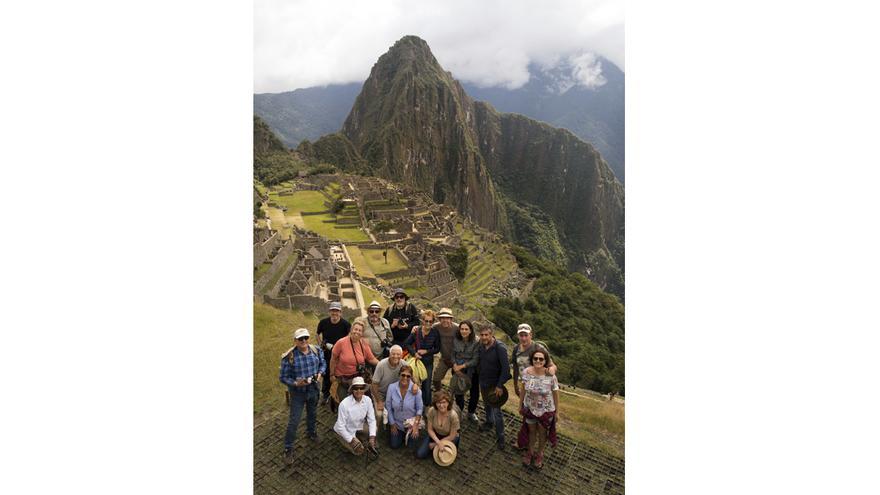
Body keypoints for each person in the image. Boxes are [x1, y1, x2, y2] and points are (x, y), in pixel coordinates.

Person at [279, 328, 325, 464]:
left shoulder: (316, 350)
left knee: (313, 413)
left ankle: (311, 433)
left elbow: (323, 363)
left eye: (306, 337)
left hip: (313, 388)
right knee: (294, 421)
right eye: (300, 339)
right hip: (297, 393)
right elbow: (282, 377)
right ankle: (288, 448)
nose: (304, 341)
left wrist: (320, 373)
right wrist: (294, 383)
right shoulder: (289, 356)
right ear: (295, 341)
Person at [516, 349, 560, 469]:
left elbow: (555, 393)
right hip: (530, 408)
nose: (538, 361)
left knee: (542, 433)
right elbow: (523, 389)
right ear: (532, 360)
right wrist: (520, 405)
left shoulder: (551, 376)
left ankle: (540, 453)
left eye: (541, 359)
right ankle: (530, 452)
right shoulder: (527, 372)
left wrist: (557, 412)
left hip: (545, 410)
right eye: (535, 358)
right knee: (531, 432)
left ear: (545, 361)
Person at [477, 325, 511, 450]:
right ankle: (489, 422)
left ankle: (500, 436)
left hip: (495, 385)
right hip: (484, 381)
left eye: (487, 335)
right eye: (482, 335)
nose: (484, 337)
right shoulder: (481, 346)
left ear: (492, 335)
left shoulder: (500, 348)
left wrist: (500, 385)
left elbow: (506, 369)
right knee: (486, 404)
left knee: (497, 411)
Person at [329, 320, 379, 404]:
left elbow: (371, 359)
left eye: (360, 330)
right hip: (342, 378)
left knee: (363, 401)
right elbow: (333, 359)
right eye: (355, 329)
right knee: (344, 402)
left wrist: (383, 364)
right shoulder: (341, 342)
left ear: (362, 333)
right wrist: (332, 374)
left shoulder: (364, 344)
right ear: (351, 330)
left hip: (357, 378)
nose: (357, 332)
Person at [370, 345, 420, 425]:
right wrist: (379, 401)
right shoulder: (381, 365)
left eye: (398, 354)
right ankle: (377, 431)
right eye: (393, 354)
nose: (395, 356)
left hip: (395, 393)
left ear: (401, 355)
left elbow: (414, 378)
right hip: (381, 393)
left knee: (402, 408)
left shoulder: (404, 364)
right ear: (389, 354)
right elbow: (374, 384)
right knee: (379, 414)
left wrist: (415, 385)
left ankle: (396, 427)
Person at [404, 309, 440, 407]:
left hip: (427, 363)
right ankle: (412, 405)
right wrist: (414, 353)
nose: (428, 323)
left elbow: (437, 348)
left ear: (433, 322)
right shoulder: (416, 331)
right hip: (416, 362)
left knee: (427, 385)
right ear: (422, 320)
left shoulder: (435, 333)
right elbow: (407, 343)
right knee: (412, 384)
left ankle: (426, 406)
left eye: (430, 321)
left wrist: (427, 351)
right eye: (426, 321)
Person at [316, 301, 351, 404]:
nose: (334, 314)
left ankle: (339, 394)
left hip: (340, 354)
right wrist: (320, 345)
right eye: (333, 311)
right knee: (327, 374)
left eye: (337, 311)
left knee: (339, 374)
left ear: (340, 313)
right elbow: (317, 334)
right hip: (327, 353)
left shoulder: (346, 324)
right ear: (329, 312)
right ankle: (325, 394)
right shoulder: (323, 322)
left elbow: (349, 337)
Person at [510, 323, 557, 399]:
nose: (524, 338)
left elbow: (552, 366)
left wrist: (551, 370)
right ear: (518, 336)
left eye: (526, 335)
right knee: (524, 409)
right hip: (525, 387)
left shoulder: (538, 348)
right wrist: (515, 386)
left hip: (540, 389)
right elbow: (516, 368)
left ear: (531, 335)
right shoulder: (516, 349)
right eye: (521, 335)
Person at [333, 377, 378, 456]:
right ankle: (345, 441)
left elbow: (372, 420)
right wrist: (351, 440)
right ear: (352, 390)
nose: (359, 391)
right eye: (356, 388)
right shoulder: (344, 404)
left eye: (361, 388)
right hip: (346, 429)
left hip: (358, 425)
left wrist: (372, 437)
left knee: (374, 430)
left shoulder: (367, 400)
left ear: (364, 389)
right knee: (358, 451)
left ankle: (363, 439)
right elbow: (340, 427)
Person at [385, 364, 423, 449]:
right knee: (394, 445)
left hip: (411, 423)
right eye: (403, 375)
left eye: (408, 376)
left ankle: (410, 434)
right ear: (399, 375)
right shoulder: (391, 387)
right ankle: (401, 435)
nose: (405, 378)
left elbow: (419, 409)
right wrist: (392, 423)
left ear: (411, 377)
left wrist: (416, 425)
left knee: (411, 446)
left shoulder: (417, 390)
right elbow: (388, 406)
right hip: (397, 423)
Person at [416, 390, 460, 460]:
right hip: (435, 434)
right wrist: (438, 441)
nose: (441, 405)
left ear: (448, 403)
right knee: (420, 454)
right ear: (435, 403)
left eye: (444, 402)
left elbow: (452, 435)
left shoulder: (453, 415)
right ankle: (434, 448)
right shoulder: (432, 411)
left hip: (449, 437)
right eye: (438, 403)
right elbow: (430, 429)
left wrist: (436, 444)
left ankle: (436, 448)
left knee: (444, 457)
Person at [451, 320, 480, 421]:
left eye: (466, 329)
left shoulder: (476, 342)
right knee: (459, 391)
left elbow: (475, 359)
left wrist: (462, 366)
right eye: (462, 329)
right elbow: (452, 354)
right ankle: (459, 411)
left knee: (474, 392)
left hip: (472, 370)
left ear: (471, 330)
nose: (464, 331)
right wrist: (454, 365)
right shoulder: (456, 339)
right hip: (457, 367)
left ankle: (471, 412)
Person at [431, 308, 458, 393]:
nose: (445, 320)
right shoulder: (436, 327)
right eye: (443, 318)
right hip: (444, 358)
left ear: (451, 319)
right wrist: (416, 328)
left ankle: (452, 399)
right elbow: (425, 328)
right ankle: (440, 394)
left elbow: (471, 334)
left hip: (457, 359)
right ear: (439, 319)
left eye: (447, 318)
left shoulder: (457, 328)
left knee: (457, 383)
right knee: (436, 379)